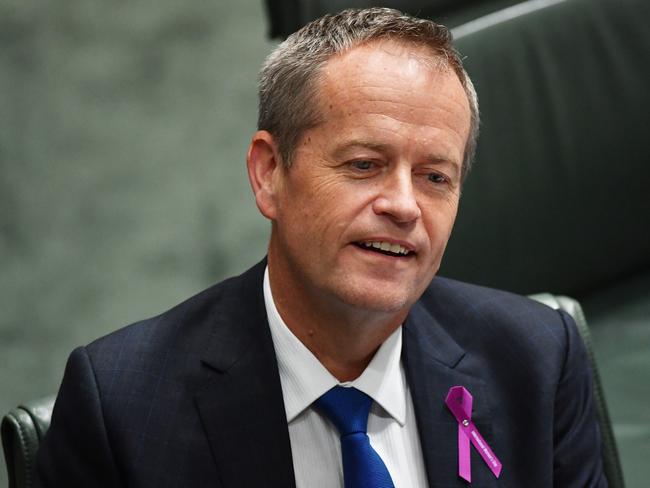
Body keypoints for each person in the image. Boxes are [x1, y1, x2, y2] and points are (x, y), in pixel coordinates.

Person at [34, 7, 606, 487]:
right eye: (364, 165)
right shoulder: (124, 406)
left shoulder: (535, 360)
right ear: (269, 174)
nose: (404, 206)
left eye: (435, 177)